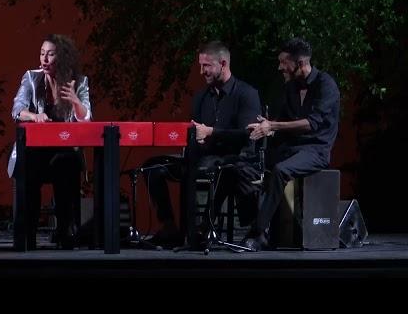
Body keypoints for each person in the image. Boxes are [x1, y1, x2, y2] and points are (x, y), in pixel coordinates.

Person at [144, 41, 262, 248]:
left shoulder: (246, 94)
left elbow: (247, 135)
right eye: (200, 65)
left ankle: (203, 227)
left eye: (206, 65)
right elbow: (196, 131)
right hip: (201, 158)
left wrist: (212, 133)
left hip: (233, 160)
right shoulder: (201, 97)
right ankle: (170, 226)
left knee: (221, 169)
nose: (201, 71)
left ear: (223, 64)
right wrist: (193, 137)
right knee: (153, 168)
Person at [242, 37, 340, 251]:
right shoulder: (291, 88)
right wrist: (263, 127)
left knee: (279, 171)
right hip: (293, 149)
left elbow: (311, 124)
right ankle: (262, 228)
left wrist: (273, 126)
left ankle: (257, 233)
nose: (280, 67)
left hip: (317, 150)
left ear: (300, 63)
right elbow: (282, 122)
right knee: (247, 165)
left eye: (284, 62)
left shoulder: (326, 85)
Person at [8, 34, 92, 250]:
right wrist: (34, 116)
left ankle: (66, 229)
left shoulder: (79, 81)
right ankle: (28, 232)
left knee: (66, 163)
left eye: (50, 54)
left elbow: (87, 119)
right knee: (30, 166)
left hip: (63, 150)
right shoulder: (31, 78)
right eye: (42, 53)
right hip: (36, 150)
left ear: (62, 57)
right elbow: (17, 109)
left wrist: (75, 101)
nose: (44, 59)